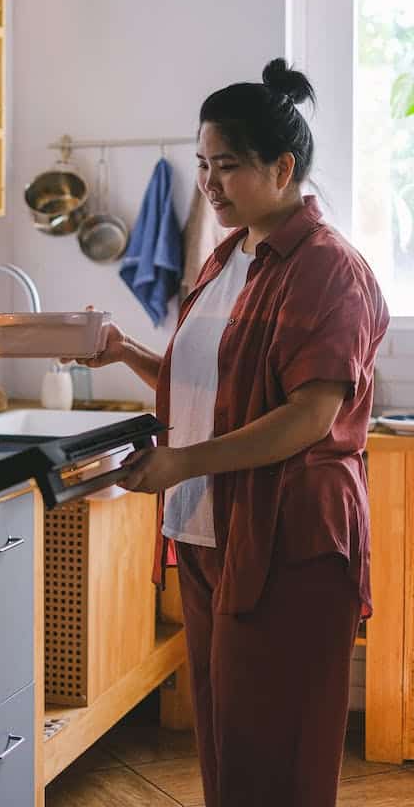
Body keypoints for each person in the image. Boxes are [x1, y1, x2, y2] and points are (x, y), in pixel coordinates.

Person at [75, 58, 389, 807]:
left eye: (229, 166)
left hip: (290, 536)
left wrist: (182, 463)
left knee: (277, 753)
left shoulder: (327, 269)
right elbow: (211, 390)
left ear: (283, 168)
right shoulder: (230, 256)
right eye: (204, 164)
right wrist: (125, 353)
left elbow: (309, 415)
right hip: (216, 533)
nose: (210, 183)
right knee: (226, 743)